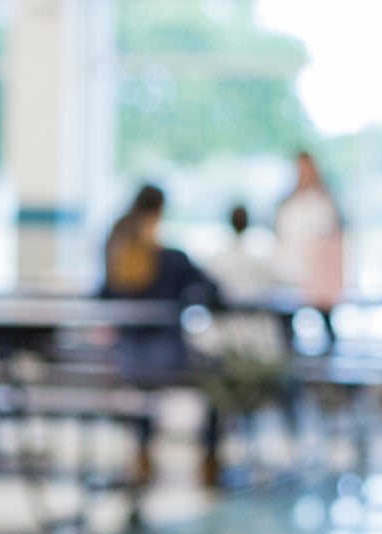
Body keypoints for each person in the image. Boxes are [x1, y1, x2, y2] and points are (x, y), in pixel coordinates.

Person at [99, 184, 225, 488]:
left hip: (125, 358)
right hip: (166, 358)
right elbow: (214, 293)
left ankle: (143, 452)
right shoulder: (172, 260)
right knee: (218, 376)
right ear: (159, 214)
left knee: (144, 387)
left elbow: (101, 297)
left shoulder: (118, 257)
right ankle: (209, 457)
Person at [273, 151, 344, 306]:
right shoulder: (287, 205)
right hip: (289, 275)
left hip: (320, 279)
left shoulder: (325, 203)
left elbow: (332, 238)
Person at [205, 204, 282, 303]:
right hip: (256, 315)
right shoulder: (260, 259)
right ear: (248, 222)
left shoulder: (217, 261)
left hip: (229, 316)